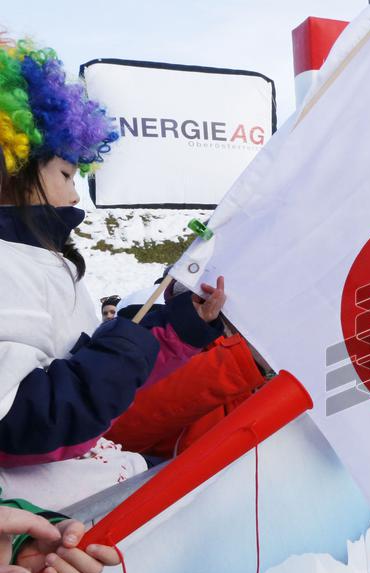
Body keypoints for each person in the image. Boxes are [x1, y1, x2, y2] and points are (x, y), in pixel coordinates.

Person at [0, 40, 226, 509]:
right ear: (11, 165)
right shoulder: (9, 266)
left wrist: (177, 330)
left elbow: (89, 370)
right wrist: (125, 347)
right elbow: (22, 423)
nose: (75, 195)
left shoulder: (44, 257)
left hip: (80, 496)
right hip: (46, 525)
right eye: (65, 173)